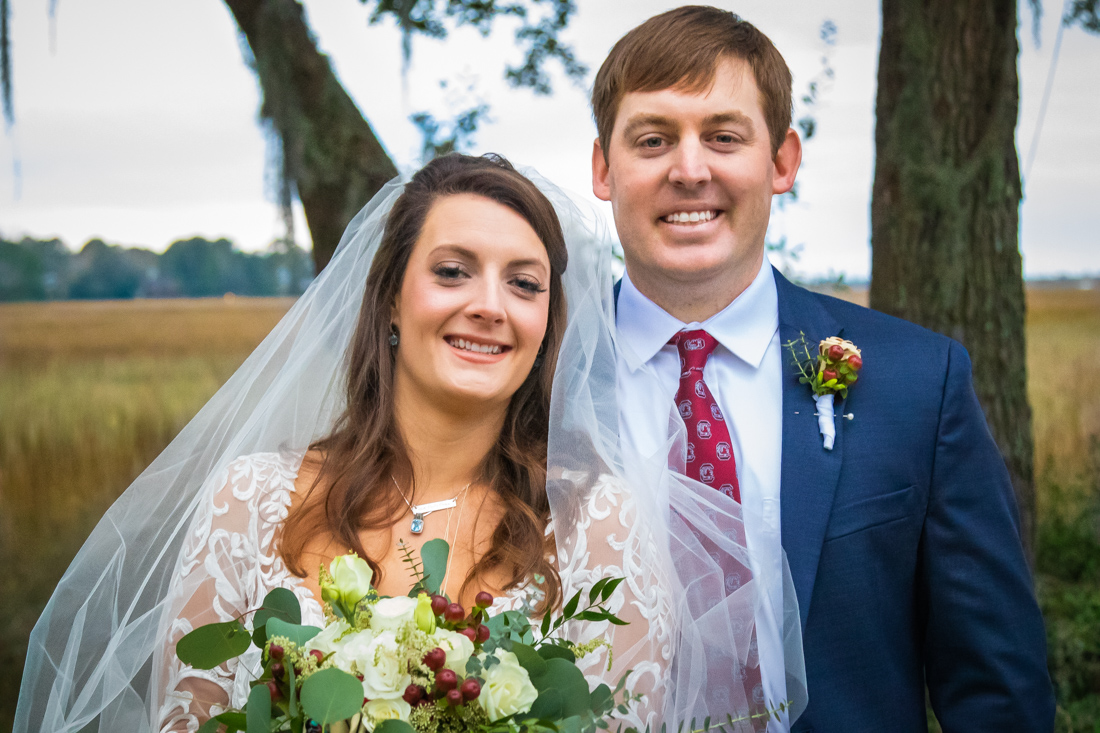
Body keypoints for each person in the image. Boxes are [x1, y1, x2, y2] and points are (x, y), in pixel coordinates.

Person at [16, 152, 804, 732]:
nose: (491, 305)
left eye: (524, 283)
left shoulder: (602, 526)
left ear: (546, 326)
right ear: (392, 298)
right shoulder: (249, 500)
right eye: (454, 271)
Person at [590, 6, 1054, 732]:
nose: (689, 169)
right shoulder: (534, 381)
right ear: (603, 168)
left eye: (723, 136)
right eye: (653, 139)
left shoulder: (916, 382)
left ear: (782, 163)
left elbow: (996, 685)